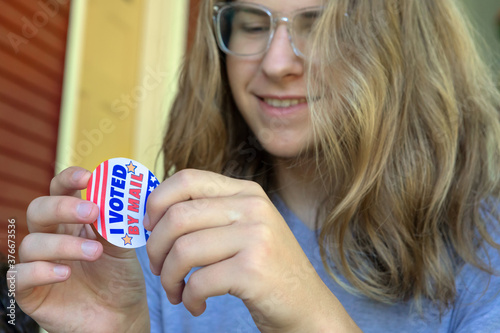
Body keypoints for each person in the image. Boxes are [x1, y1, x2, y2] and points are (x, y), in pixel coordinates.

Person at [9, 0, 500, 331]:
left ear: (404, 45)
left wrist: (309, 314)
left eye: (318, 23)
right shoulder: (157, 231)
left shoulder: (486, 250)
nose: (276, 62)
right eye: (253, 24)